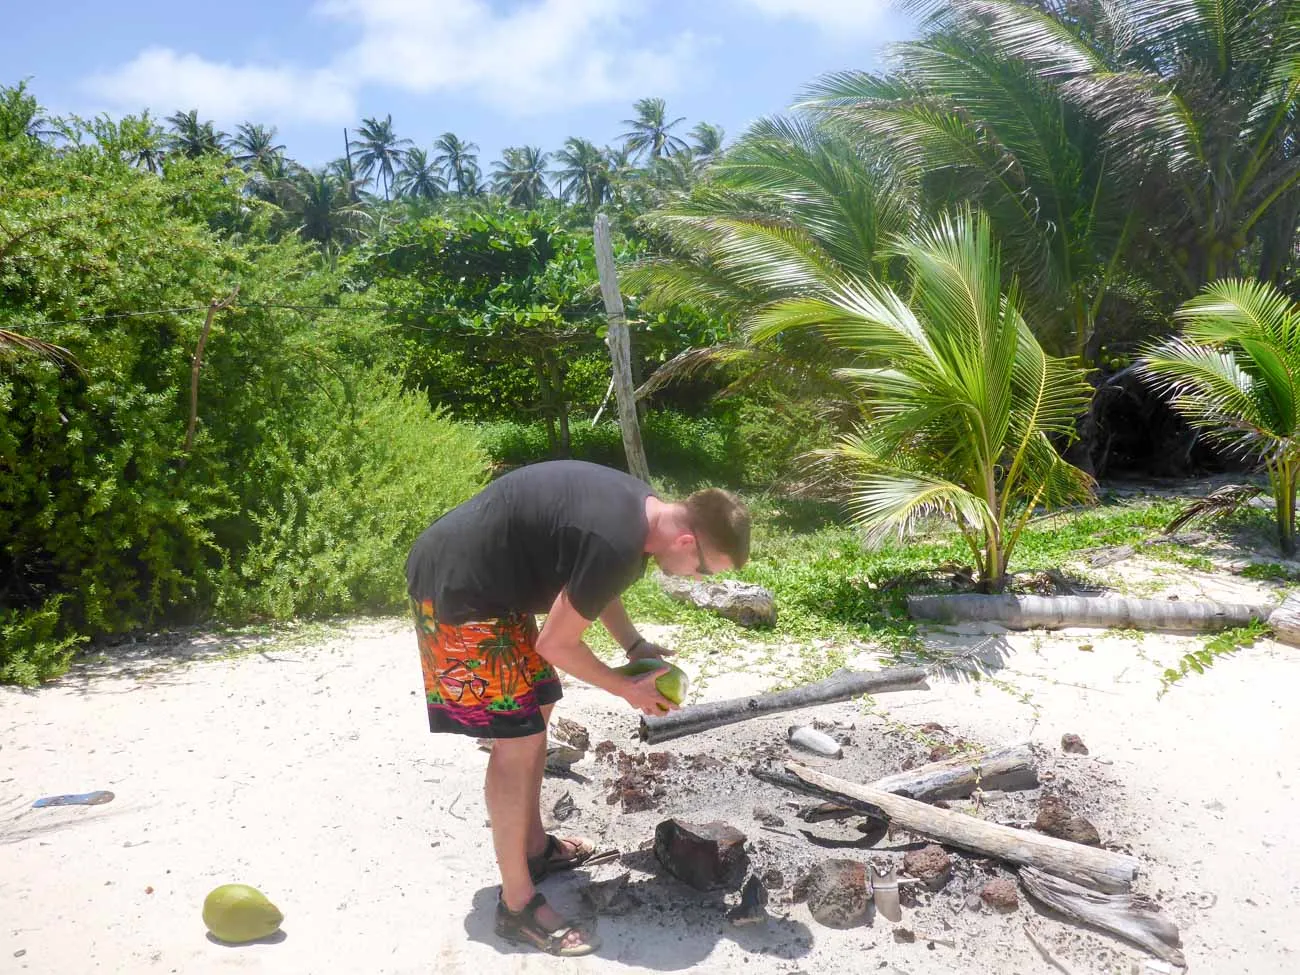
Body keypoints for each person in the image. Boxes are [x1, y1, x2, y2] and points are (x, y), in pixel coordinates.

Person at [406, 460, 750, 957]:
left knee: (538, 709)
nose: (695, 579)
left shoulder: (641, 514)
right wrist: (624, 688)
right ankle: (516, 905)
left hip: (493, 589)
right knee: (516, 740)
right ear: (686, 542)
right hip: (459, 589)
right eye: (702, 570)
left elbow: (588, 584)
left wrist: (634, 647)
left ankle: (531, 849)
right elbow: (557, 644)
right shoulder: (618, 541)